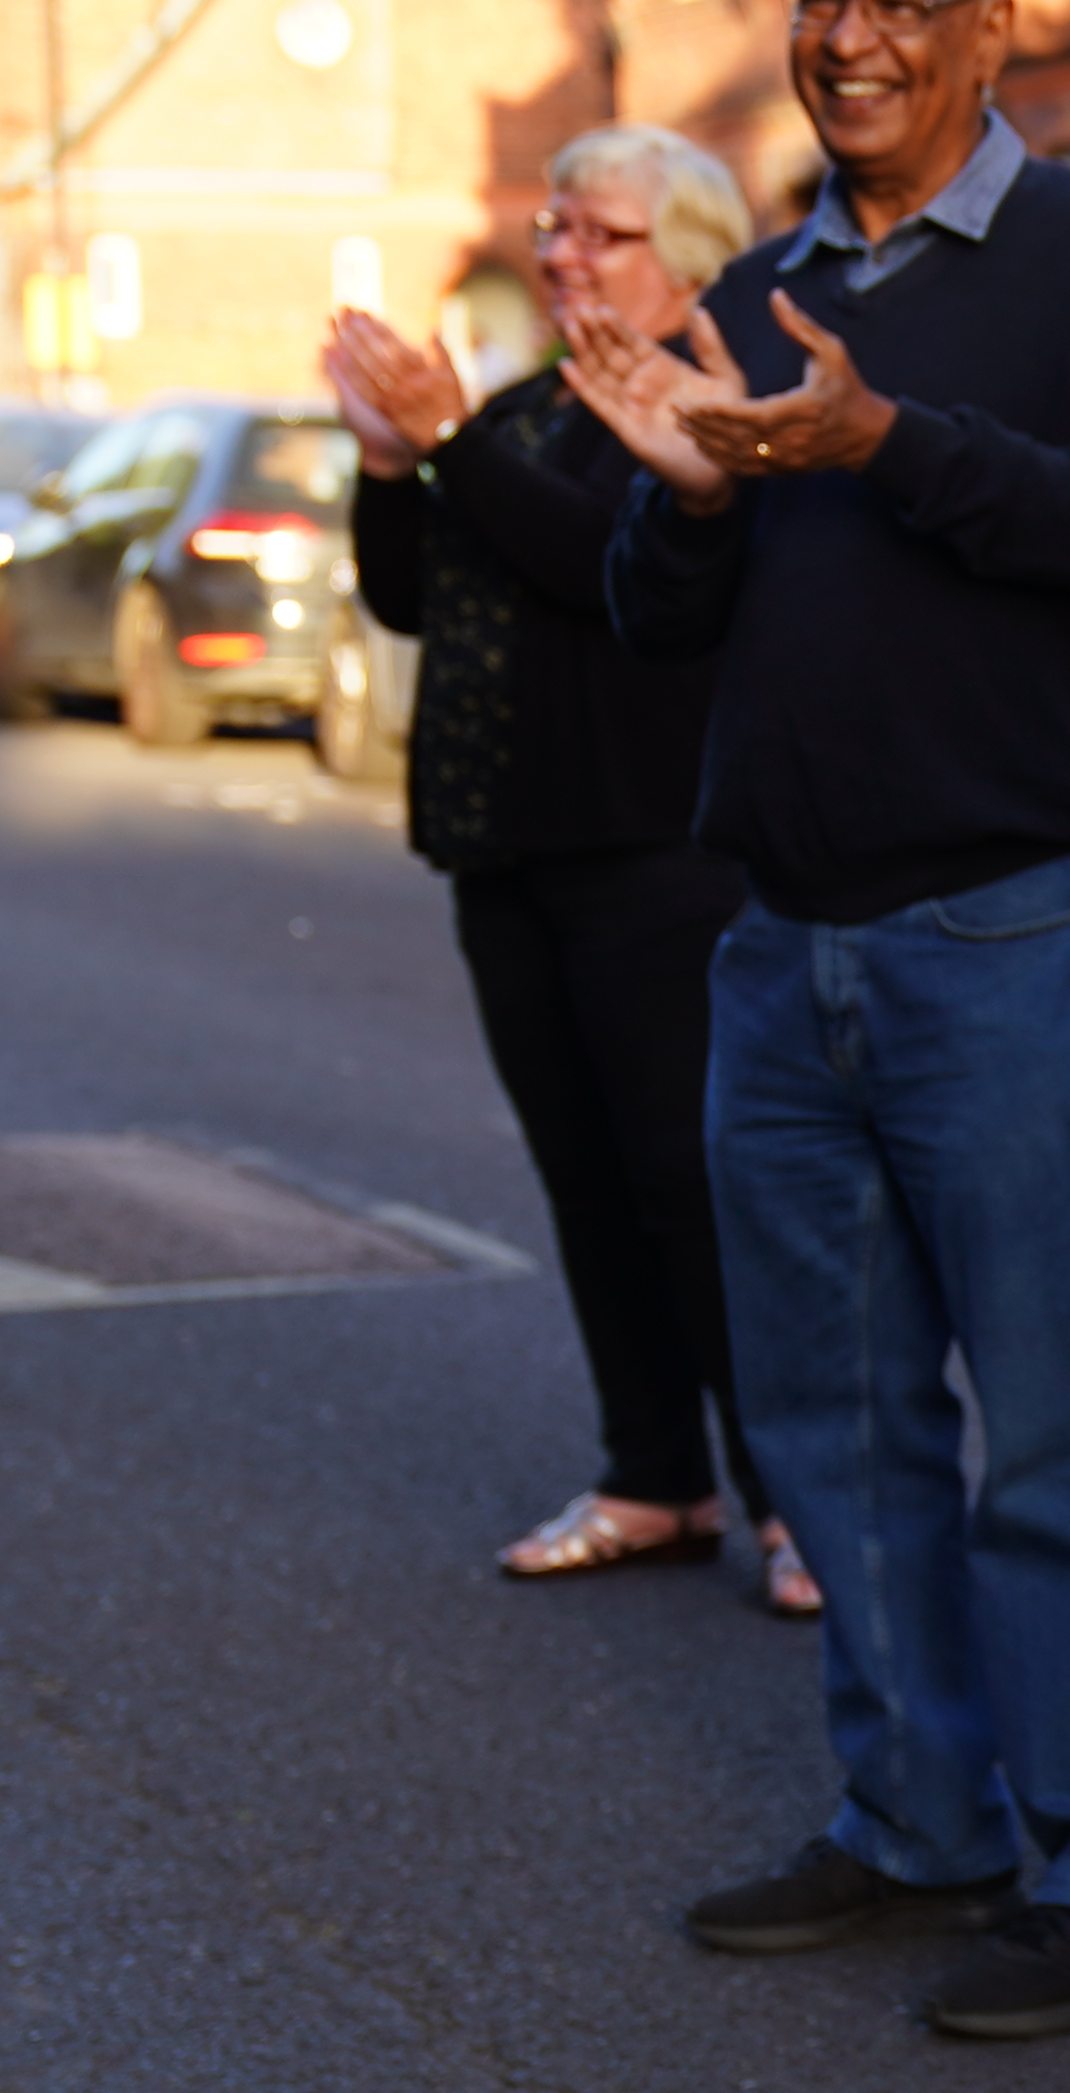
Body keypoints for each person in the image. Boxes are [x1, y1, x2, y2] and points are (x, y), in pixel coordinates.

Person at [590, 0, 1070, 2044]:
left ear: (993, 31)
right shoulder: (759, 285)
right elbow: (658, 629)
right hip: (786, 946)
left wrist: (886, 443)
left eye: (898, 1)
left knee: (1051, 1427)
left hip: (1013, 932)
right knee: (834, 1425)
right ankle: (914, 1814)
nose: (848, 35)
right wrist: (685, 496)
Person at [322, 128, 818, 1623]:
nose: (559, 255)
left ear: (688, 255)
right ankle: (653, 1474)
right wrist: (389, 459)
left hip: (652, 849)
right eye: (552, 229)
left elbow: (603, 563)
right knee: (589, 1179)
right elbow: (413, 592)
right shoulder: (528, 407)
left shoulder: (698, 399)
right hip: (507, 847)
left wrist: (457, 447)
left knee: (694, 1181)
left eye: (596, 233)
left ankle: (793, 1496)